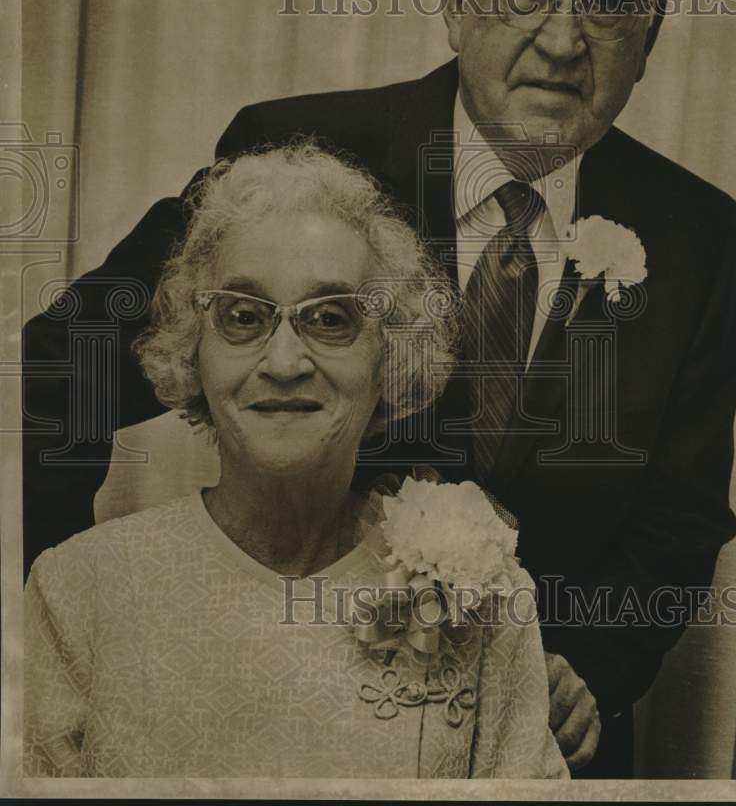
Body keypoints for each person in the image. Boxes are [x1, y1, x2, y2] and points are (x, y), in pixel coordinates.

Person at [22, 0, 736, 778]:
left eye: (607, 2)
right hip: (272, 730)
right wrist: (75, 620)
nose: (564, 42)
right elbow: (56, 372)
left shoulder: (691, 227)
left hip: (536, 753)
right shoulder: (298, 147)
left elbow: (680, 520)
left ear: (649, 35)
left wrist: (591, 671)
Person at [24, 142, 569, 779]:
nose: (284, 363)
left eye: (332, 318)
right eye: (243, 316)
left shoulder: (483, 596)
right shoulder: (76, 592)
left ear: (390, 357)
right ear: (191, 352)